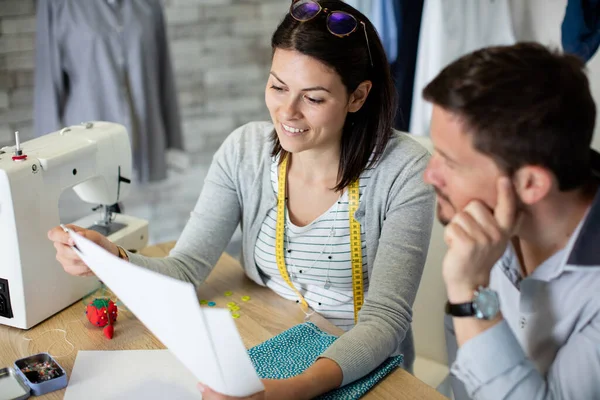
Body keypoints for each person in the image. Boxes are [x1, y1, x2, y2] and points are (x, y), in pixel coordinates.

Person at [48, 0, 435, 398]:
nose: (287, 112)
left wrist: (294, 390)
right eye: (278, 86)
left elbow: (386, 319)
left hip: (360, 368)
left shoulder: (404, 171)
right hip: (272, 334)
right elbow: (185, 269)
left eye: (314, 98)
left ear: (358, 96)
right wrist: (113, 258)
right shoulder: (245, 151)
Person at [421, 42, 600, 399]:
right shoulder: (486, 229)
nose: (430, 175)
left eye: (449, 162)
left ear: (531, 183)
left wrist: (469, 294)